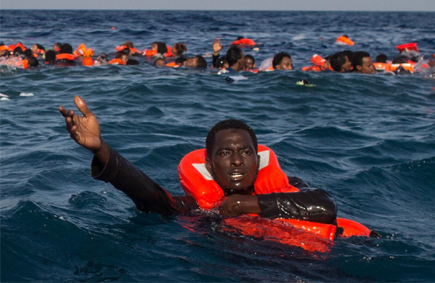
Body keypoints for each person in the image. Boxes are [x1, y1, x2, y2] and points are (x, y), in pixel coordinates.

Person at [58, 97, 354, 228]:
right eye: (225, 154)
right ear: (210, 166)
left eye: (246, 152)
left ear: (257, 158)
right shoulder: (198, 209)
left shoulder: (287, 189)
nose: (237, 161)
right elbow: (149, 196)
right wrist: (101, 150)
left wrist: (243, 205)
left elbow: (326, 207)